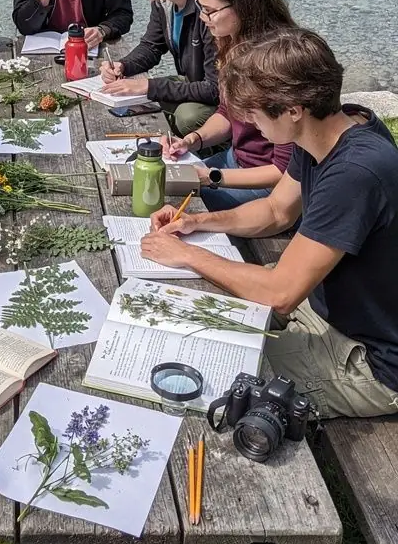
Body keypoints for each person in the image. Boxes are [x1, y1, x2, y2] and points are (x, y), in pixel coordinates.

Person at [143, 29, 398, 421]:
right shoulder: (331, 128)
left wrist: (188, 255)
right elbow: (277, 211)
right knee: (177, 318)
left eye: (255, 112)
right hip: (324, 303)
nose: (247, 121)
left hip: (369, 357)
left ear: (293, 109)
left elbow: (280, 294)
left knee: (197, 368)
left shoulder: (354, 172)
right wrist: (198, 221)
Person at [161, 0, 296, 209]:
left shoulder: (279, 65)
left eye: (210, 11)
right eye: (201, 8)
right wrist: (192, 140)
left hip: (267, 184)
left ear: (243, 7)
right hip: (236, 161)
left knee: (174, 200)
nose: (203, 18)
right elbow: (227, 112)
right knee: (159, 183)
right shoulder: (232, 42)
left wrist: (212, 176)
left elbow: (284, 171)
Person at [100, 0, 217, 133]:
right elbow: (152, 46)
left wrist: (149, 87)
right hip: (195, 84)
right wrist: (123, 66)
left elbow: (214, 89)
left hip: (218, 99)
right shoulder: (163, 0)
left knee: (188, 117)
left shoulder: (209, 11)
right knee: (126, 93)